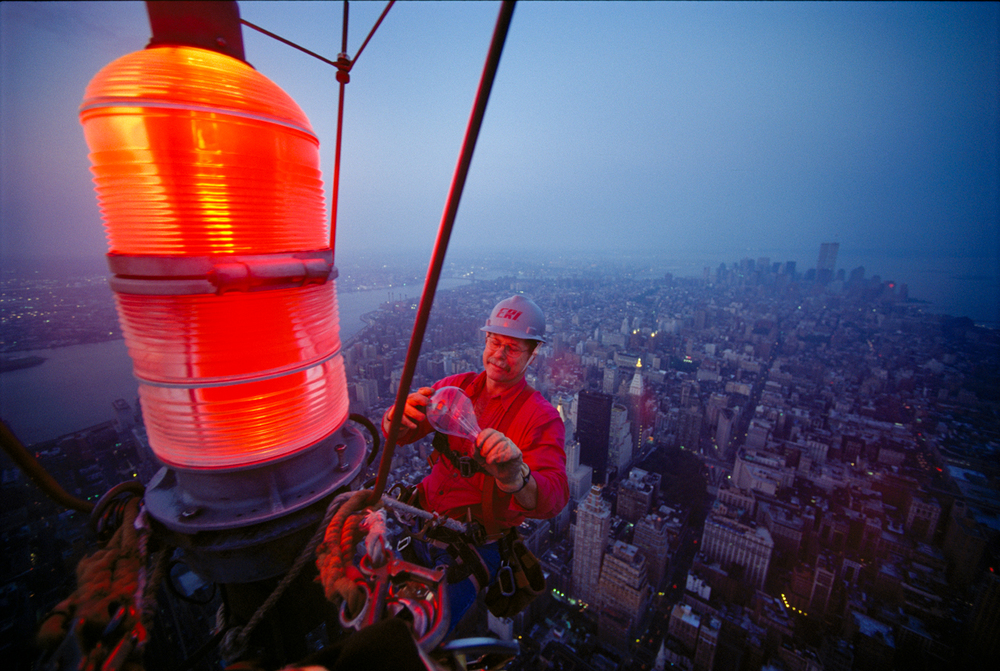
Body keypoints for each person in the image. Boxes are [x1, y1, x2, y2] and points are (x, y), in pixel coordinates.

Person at [381, 295, 569, 629]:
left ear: (533, 354)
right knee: (379, 614)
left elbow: (554, 496)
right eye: (495, 342)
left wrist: (517, 477)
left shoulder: (540, 417)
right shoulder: (456, 387)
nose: (499, 354)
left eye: (513, 348)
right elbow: (406, 432)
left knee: (416, 635)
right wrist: (396, 419)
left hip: (470, 548)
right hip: (419, 521)